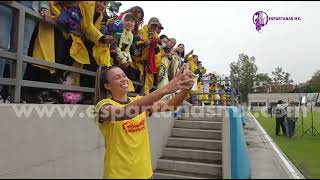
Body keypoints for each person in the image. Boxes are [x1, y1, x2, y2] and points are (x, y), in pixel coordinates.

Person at [95, 65, 194, 179]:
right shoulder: (102, 106)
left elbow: (170, 106)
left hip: (146, 174)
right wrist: (166, 89)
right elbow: (124, 112)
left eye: (124, 75)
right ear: (107, 85)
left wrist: (185, 89)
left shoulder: (139, 101)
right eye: (117, 77)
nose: (123, 79)